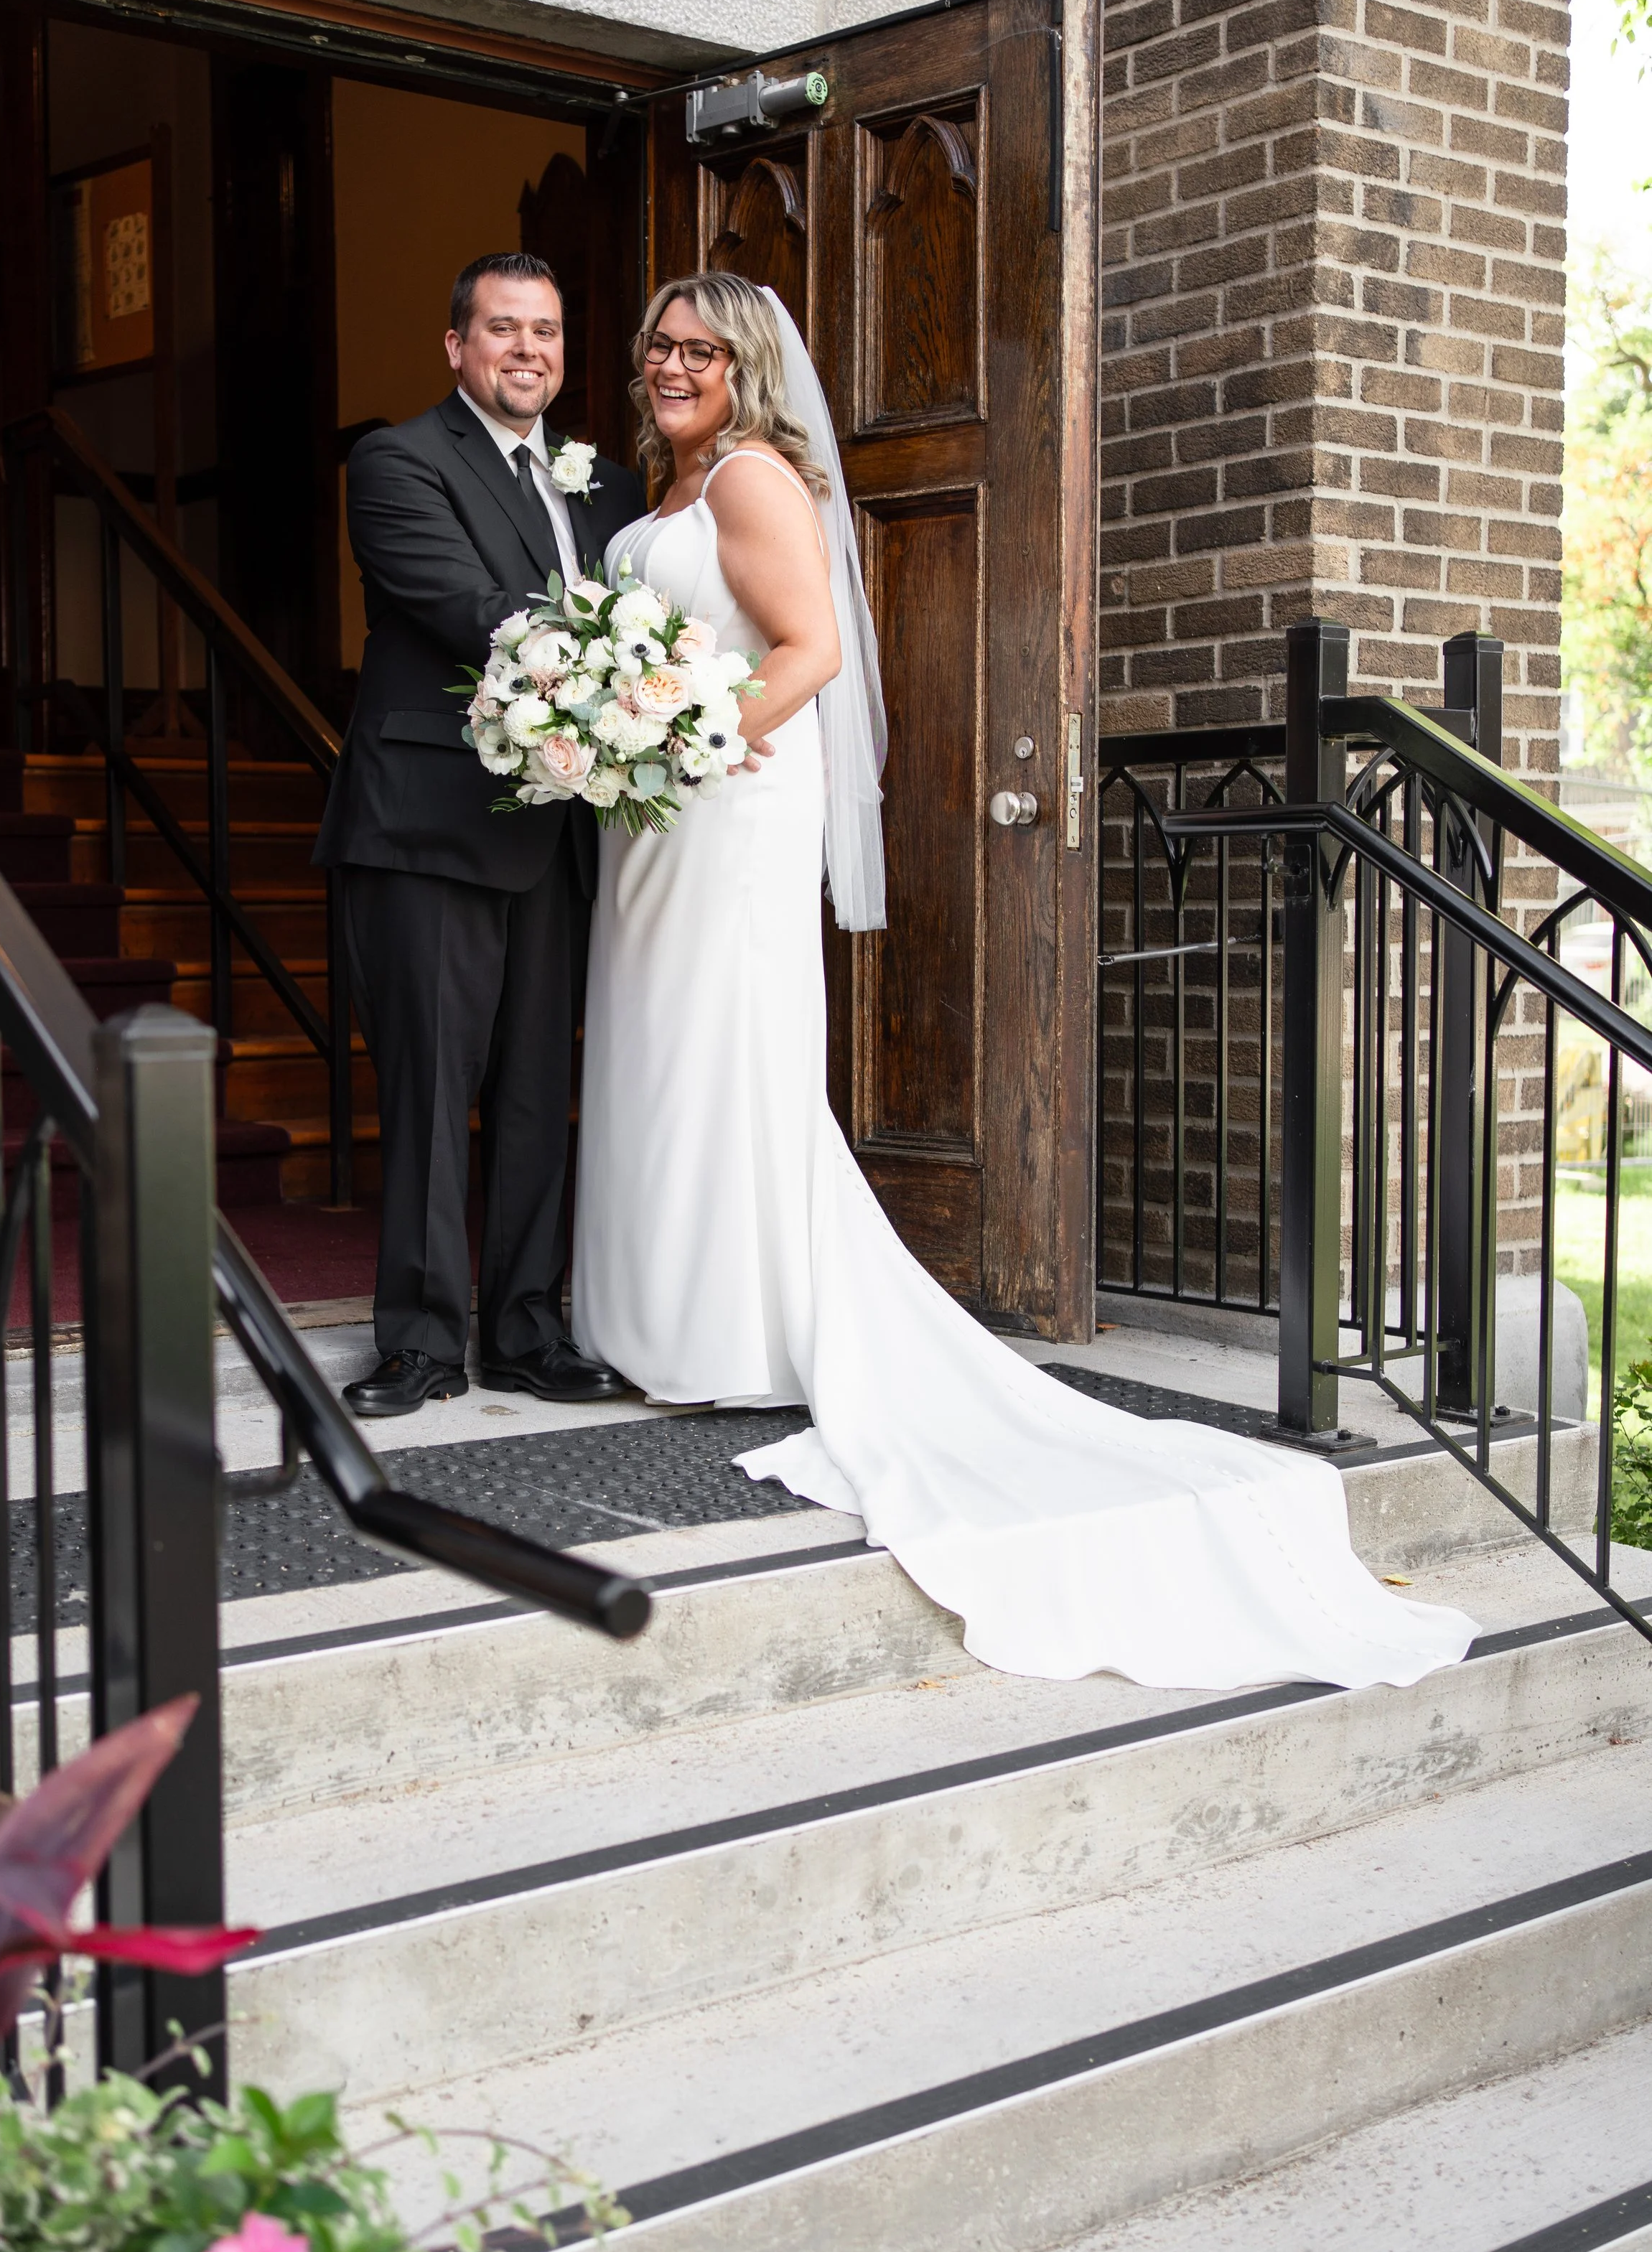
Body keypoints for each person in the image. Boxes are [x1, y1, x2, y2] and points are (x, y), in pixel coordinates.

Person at [570, 273, 1479, 1691]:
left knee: (718, 1052)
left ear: (744, 366)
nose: (670, 363)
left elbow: (803, 653)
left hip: (723, 804)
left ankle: (728, 1325)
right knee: (654, 1051)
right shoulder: (656, 488)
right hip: (663, 814)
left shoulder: (749, 478)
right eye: (657, 344)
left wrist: (669, 741)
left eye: (698, 346)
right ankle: (655, 1308)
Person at [317, 251, 645, 1417]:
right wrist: (646, 670)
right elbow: (469, 609)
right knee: (430, 1089)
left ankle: (522, 1330)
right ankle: (415, 1341)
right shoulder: (398, 461)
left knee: (531, 1094)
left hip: (561, 826)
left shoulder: (604, 484)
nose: (527, 351)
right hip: (428, 824)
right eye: (502, 330)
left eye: (546, 333)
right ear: (456, 346)